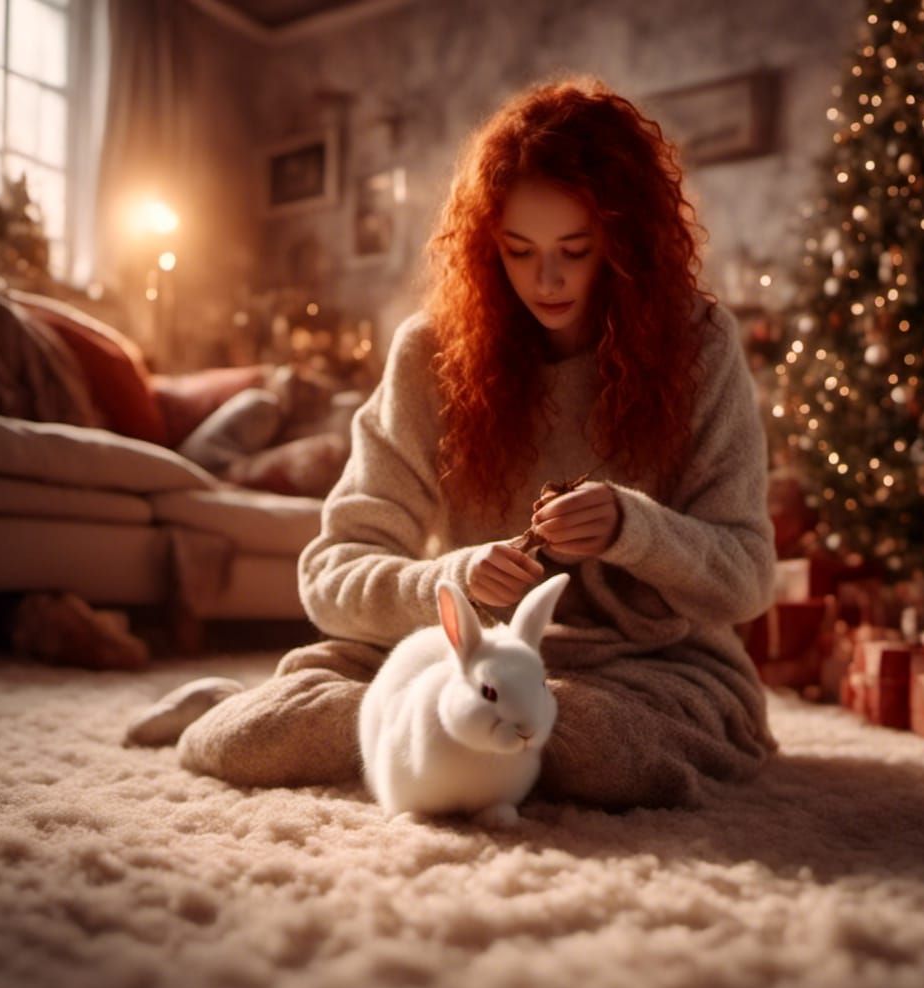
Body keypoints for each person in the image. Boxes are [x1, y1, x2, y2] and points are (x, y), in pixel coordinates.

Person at [134, 75, 780, 810]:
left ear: (626, 242)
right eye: (518, 250)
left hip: (654, 668)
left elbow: (749, 577)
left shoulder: (698, 345)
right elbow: (332, 573)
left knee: (593, 743)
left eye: (575, 248)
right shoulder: (430, 355)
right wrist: (458, 580)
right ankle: (240, 707)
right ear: (485, 246)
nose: (547, 278)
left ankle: (427, 731)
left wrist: (635, 529)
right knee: (264, 737)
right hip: (462, 665)